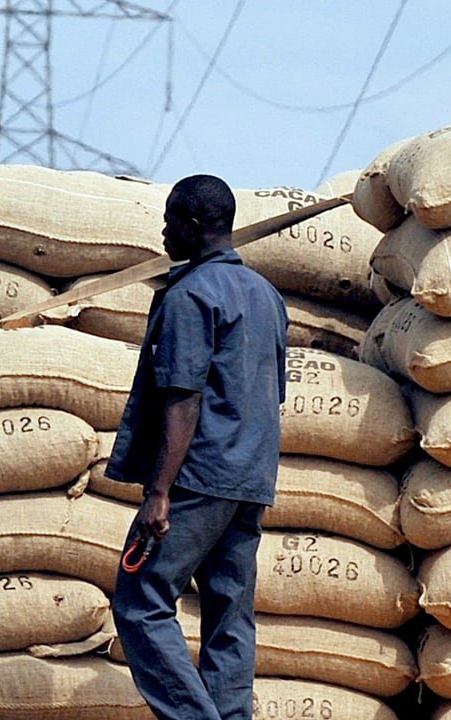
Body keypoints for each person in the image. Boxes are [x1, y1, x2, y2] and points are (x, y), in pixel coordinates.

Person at [108, 174, 288, 720]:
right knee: (230, 615)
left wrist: (158, 493)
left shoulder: (191, 296)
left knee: (140, 601)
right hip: (251, 478)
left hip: (198, 478)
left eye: (169, 221)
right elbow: (273, 391)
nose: (163, 232)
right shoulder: (267, 296)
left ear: (191, 224)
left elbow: (182, 400)